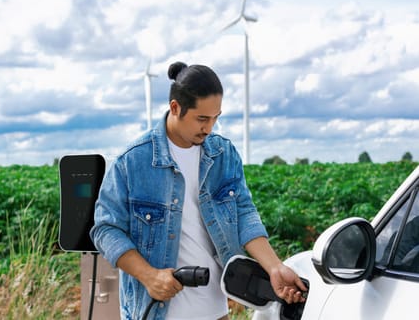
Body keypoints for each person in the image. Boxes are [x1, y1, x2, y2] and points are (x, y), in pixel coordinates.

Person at [90, 61, 307, 320]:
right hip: (154, 311)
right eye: (202, 118)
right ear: (175, 108)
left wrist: (274, 267)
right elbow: (105, 229)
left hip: (215, 311)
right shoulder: (132, 161)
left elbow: (244, 213)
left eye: (215, 118)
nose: (209, 128)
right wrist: (149, 276)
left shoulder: (223, 154)